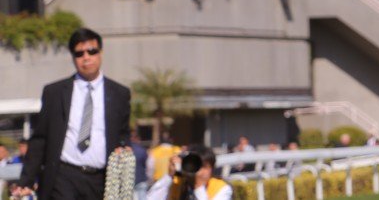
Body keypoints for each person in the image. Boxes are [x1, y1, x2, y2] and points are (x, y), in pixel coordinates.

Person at [11, 28, 133, 200]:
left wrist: (124, 146)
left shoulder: (119, 93)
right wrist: (26, 180)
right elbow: (40, 139)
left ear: (101, 53)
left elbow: (123, 133)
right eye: (79, 53)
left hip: (102, 179)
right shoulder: (54, 92)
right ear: (73, 57)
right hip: (63, 175)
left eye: (92, 51)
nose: (86, 57)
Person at [144, 148, 228, 200]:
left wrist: (198, 186)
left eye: (204, 167)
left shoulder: (221, 188)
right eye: (196, 166)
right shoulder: (177, 184)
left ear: (212, 168)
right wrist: (169, 176)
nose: (199, 171)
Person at [127, 135, 148, 200]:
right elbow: (148, 165)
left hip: (128, 181)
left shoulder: (125, 150)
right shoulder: (142, 150)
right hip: (141, 180)